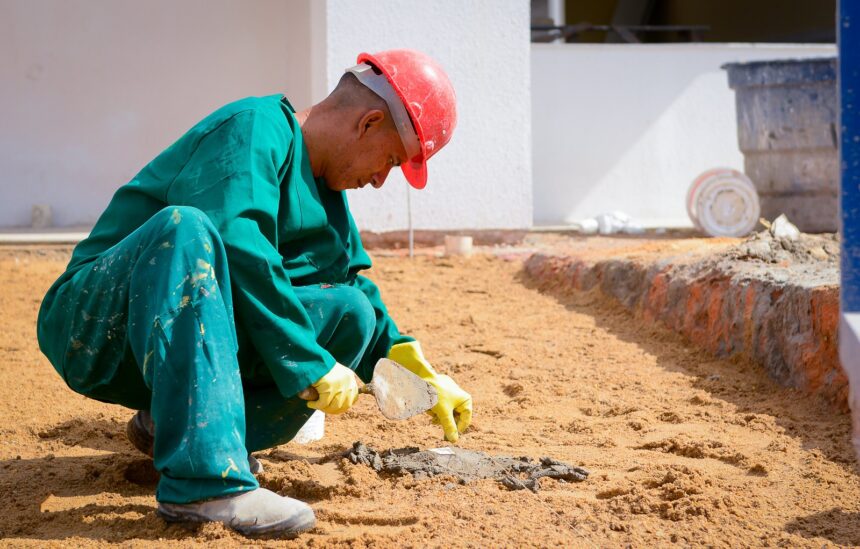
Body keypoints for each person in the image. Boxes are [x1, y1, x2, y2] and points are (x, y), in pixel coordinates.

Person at [36, 49, 472, 538]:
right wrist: (309, 364)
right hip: (97, 319)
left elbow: (351, 290)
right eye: (391, 160)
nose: (379, 179)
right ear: (368, 122)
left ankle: (174, 426)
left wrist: (407, 360)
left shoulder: (328, 198)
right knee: (187, 229)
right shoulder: (255, 128)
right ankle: (205, 485)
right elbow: (238, 242)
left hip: (169, 338)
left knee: (349, 313)